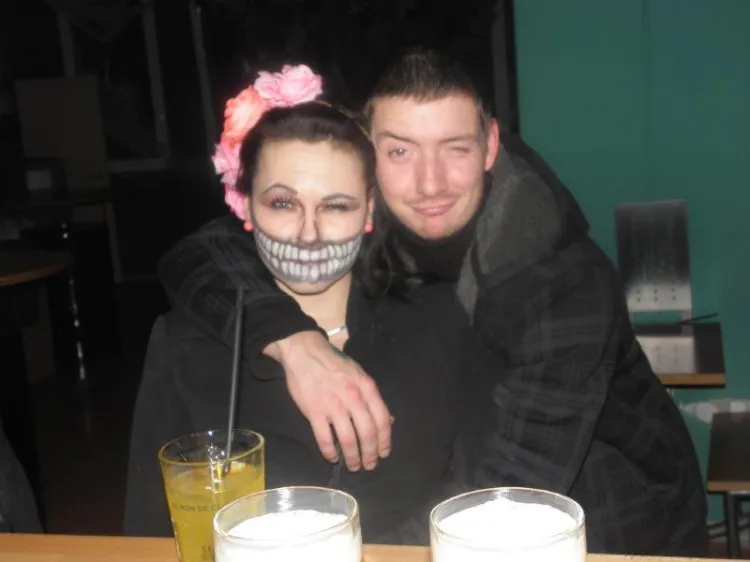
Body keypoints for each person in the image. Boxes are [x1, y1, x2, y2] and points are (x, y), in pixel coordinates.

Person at [156, 50, 709, 555]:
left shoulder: (561, 284)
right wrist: (294, 341)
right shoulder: (374, 216)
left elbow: (505, 496)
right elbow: (207, 249)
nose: (429, 184)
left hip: (612, 522)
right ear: (368, 153)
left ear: (490, 145)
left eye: (456, 148)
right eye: (400, 150)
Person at [123, 65, 464, 544]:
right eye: (283, 203)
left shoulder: (439, 320)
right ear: (245, 205)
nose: (308, 234)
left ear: (370, 209)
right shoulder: (183, 342)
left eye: (336, 205)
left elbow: (467, 495)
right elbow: (148, 534)